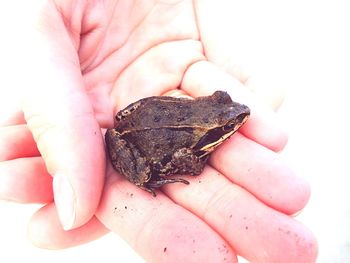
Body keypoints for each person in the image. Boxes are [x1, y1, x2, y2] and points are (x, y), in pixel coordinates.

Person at [0, 1, 317, 262]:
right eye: (225, 125)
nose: (235, 120)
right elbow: (184, 157)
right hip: (137, 143)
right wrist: (197, 163)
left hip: (140, 114)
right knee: (143, 174)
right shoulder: (197, 141)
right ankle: (143, 178)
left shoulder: (206, 109)